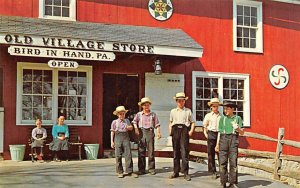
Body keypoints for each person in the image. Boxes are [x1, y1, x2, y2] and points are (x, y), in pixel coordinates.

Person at [169, 92, 195, 181]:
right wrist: (170, 131)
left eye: (182, 101)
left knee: (184, 152)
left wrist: (191, 131)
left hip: (184, 130)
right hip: (175, 130)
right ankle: (175, 171)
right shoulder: (173, 111)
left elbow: (193, 122)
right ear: (176, 101)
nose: (181, 102)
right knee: (176, 152)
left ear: (184, 101)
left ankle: (185, 172)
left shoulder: (188, 111)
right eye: (179, 101)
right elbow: (170, 122)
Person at [217, 101, 244, 188]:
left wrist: (237, 128)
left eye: (227, 108)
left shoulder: (238, 118)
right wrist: (217, 144)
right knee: (222, 162)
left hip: (233, 140)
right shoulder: (222, 119)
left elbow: (242, 132)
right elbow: (219, 133)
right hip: (223, 140)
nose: (225, 110)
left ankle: (233, 182)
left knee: (233, 162)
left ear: (232, 109)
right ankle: (223, 182)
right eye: (224, 109)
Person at [132, 97, 161, 175]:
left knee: (151, 152)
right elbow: (134, 122)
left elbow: (157, 124)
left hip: (150, 132)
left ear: (149, 105)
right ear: (142, 106)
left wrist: (158, 132)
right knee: (141, 151)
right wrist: (136, 129)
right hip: (141, 132)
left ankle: (151, 168)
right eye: (144, 105)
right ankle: (141, 169)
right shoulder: (139, 114)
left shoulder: (153, 114)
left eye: (147, 105)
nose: (146, 107)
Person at [111, 106, 138, 178]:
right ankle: (120, 172)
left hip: (126, 137)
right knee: (118, 155)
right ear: (117, 114)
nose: (122, 115)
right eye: (120, 114)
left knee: (128, 154)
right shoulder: (114, 122)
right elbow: (112, 132)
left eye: (123, 114)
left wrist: (130, 127)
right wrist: (112, 141)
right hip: (117, 137)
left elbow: (131, 128)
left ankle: (130, 171)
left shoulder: (127, 121)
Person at [203, 98, 222, 179]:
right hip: (211, 133)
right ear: (211, 107)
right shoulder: (208, 115)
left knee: (220, 154)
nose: (215, 108)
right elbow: (204, 125)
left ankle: (222, 171)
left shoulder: (221, 116)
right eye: (214, 106)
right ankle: (212, 171)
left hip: (219, 134)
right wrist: (205, 134)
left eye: (217, 106)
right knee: (211, 153)